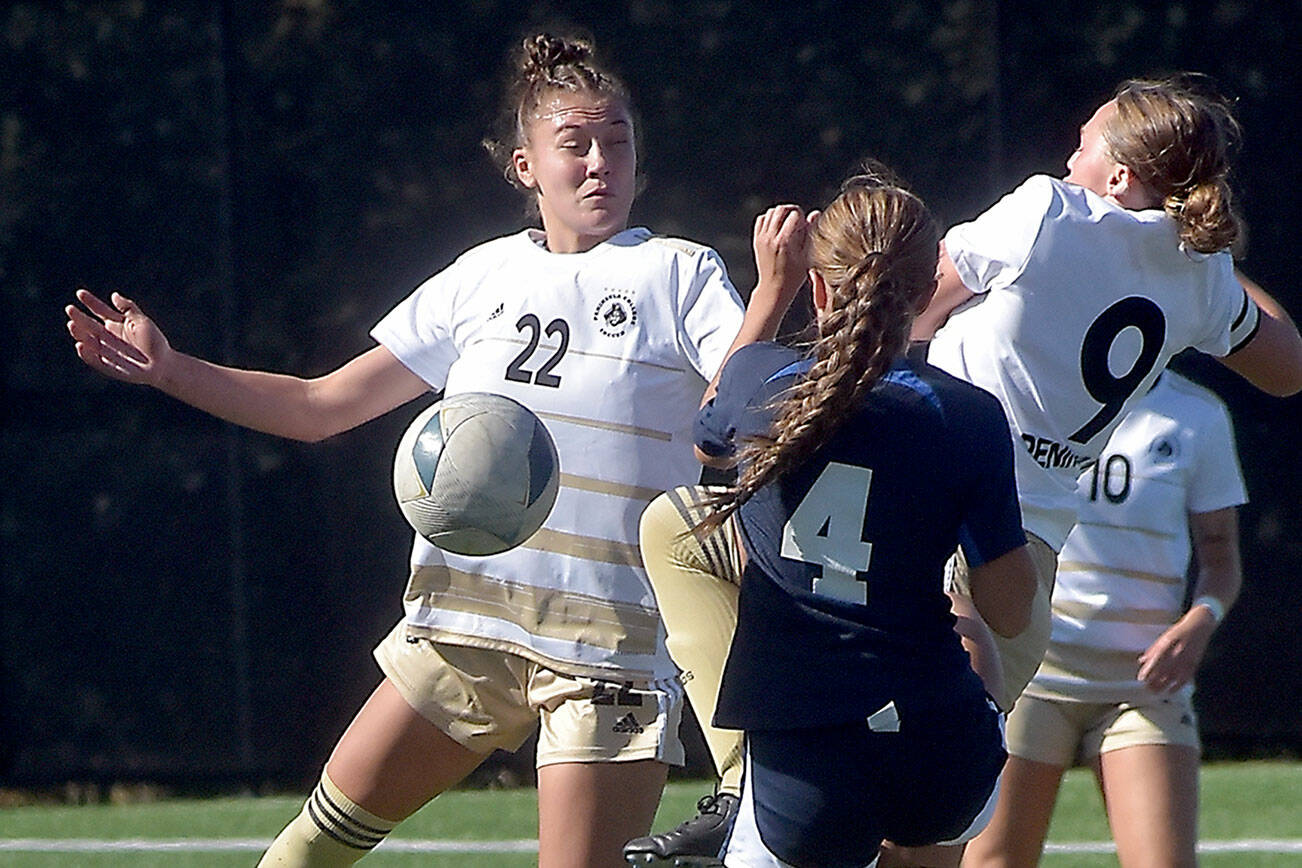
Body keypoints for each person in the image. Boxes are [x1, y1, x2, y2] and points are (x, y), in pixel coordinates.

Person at [65, 33, 745, 868]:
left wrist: (777, 298)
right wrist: (172, 371)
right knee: (302, 854)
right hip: (459, 628)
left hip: (604, 652)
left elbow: (741, 407)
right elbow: (321, 405)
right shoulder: (479, 278)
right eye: (576, 145)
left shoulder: (679, 273)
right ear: (525, 166)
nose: (601, 162)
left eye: (618, 143)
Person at [625, 73, 1302, 866]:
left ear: (1118, 174)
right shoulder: (1202, 278)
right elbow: (1288, 367)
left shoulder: (1051, 208)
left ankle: (746, 774)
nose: (1068, 155)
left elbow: (909, 302)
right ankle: (758, 781)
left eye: (1084, 145)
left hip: (922, 507)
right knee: (925, 837)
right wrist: (1196, 247)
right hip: (1024, 562)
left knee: (677, 528)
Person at [687, 173, 1036, 868]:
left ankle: (732, 775)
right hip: (942, 758)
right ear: (926, 288)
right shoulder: (966, 415)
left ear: (820, 286)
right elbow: (1012, 610)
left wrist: (768, 293)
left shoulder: (760, 378)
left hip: (804, 759)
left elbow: (707, 440)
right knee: (966, 625)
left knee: (672, 528)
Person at [961, 370, 1246, 868]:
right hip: (1035, 677)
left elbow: (1221, 559)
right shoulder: (1041, 395)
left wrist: (1202, 620)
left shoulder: (1197, 413)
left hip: (1142, 684)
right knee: (992, 860)